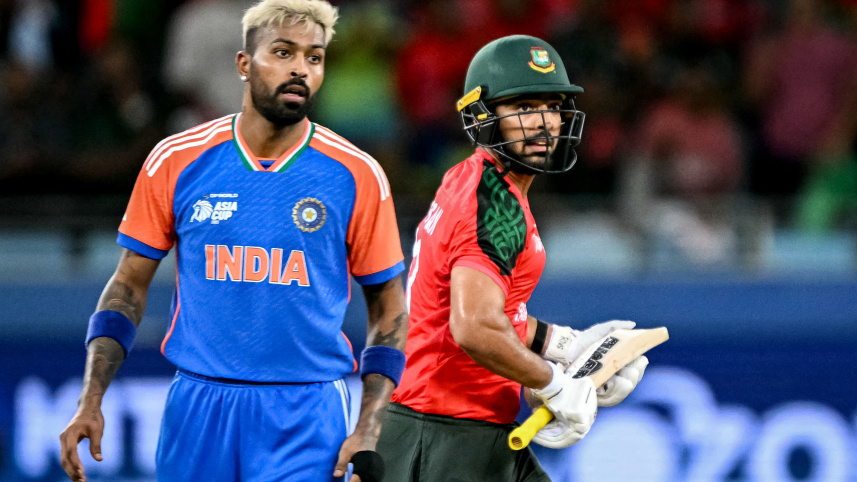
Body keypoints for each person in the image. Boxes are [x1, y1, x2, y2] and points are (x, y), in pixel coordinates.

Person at [59, 1, 407, 481]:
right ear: (244, 64)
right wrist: (89, 401)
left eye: (314, 57)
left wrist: (368, 427)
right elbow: (128, 286)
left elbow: (389, 308)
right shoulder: (177, 160)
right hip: (198, 408)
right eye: (283, 52)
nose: (300, 69)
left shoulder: (356, 175)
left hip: (306, 413)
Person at [374, 35, 648, 481]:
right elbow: (474, 326)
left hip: (451, 428)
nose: (544, 123)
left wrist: (568, 346)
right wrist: (554, 385)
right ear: (484, 118)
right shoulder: (495, 203)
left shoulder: (478, 181)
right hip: (447, 435)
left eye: (553, 106)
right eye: (523, 108)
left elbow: (490, 312)